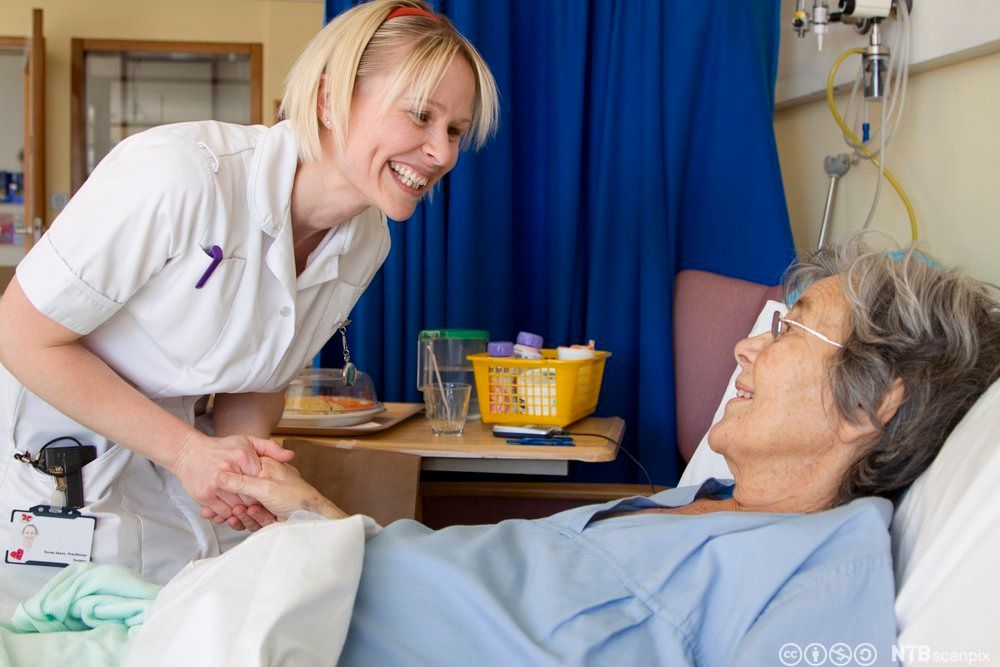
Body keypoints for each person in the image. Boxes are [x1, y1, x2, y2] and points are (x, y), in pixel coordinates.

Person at [213, 240, 1000, 664]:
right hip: (311, 596)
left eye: (788, 331)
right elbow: (494, 592)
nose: (745, 347)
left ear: (875, 402)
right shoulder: (694, 502)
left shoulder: (824, 567)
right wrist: (323, 522)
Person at [0, 0, 499, 615]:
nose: (442, 153)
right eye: (421, 116)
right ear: (327, 99)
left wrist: (236, 474)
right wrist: (187, 453)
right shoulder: (180, 174)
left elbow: (260, 378)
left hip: (174, 479)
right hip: (49, 473)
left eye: (454, 130)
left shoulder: (365, 239)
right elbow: (19, 335)